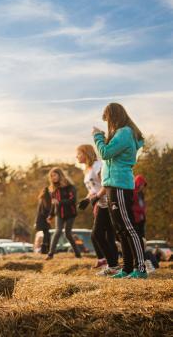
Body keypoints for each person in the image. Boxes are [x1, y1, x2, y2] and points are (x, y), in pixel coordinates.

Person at [93, 103, 146, 279]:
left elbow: (106, 153)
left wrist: (98, 137)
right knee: (120, 230)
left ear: (114, 116)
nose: (108, 123)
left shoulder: (124, 133)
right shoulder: (123, 133)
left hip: (120, 185)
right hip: (112, 185)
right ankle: (128, 269)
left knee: (129, 227)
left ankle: (141, 269)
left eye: (107, 119)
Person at [76, 144, 119, 276]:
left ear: (86, 153)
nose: (76, 156)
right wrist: (87, 199)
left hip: (109, 203)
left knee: (100, 235)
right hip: (100, 204)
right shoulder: (87, 169)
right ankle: (113, 265)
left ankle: (115, 265)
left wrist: (97, 197)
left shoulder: (98, 165)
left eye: (78, 153)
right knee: (102, 235)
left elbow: (107, 183)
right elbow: (93, 190)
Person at [45, 168, 82, 260]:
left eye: (54, 175)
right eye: (51, 176)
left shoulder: (70, 187)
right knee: (57, 231)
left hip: (70, 213)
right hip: (59, 214)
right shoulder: (53, 189)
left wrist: (60, 202)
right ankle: (50, 254)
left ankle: (78, 254)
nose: (53, 178)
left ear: (60, 175)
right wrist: (50, 215)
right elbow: (54, 204)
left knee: (67, 234)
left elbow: (73, 201)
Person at [34, 187, 52, 254]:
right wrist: (49, 217)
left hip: (41, 219)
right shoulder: (46, 199)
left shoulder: (42, 198)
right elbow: (45, 210)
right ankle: (45, 249)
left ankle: (46, 248)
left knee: (47, 233)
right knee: (47, 233)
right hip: (44, 219)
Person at [132, 175, 147, 240]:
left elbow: (142, 204)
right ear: (138, 184)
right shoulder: (132, 193)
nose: (142, 187)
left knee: (142, 237)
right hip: (135, 219)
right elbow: (131, 207)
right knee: (137, 238)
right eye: (141, 185)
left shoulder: (141, 193)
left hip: (141, 219)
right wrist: (141, 210)